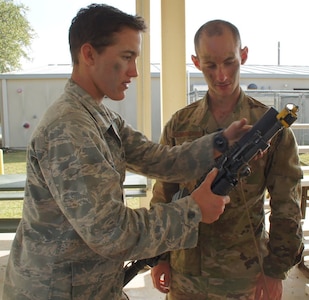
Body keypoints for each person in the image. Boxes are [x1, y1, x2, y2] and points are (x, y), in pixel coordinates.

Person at [1, 6, 251, 300]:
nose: (134, 71)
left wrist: (221, 143)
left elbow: (159, 159)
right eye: (126, 57)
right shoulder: (69, 128)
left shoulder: (98, 115)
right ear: (89, 54)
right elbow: (111, 233)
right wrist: (194, 209)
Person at [150, 19, 304, 300]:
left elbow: (286, 205)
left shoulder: (269, 129)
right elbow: (164, 193)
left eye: (229, 62)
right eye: (210, 65)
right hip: (186, 276)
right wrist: (160, 256)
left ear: (243, 55)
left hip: (244, 277)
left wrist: (275, 270)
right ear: (196, 62)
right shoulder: (179, 125)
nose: (221, 75)